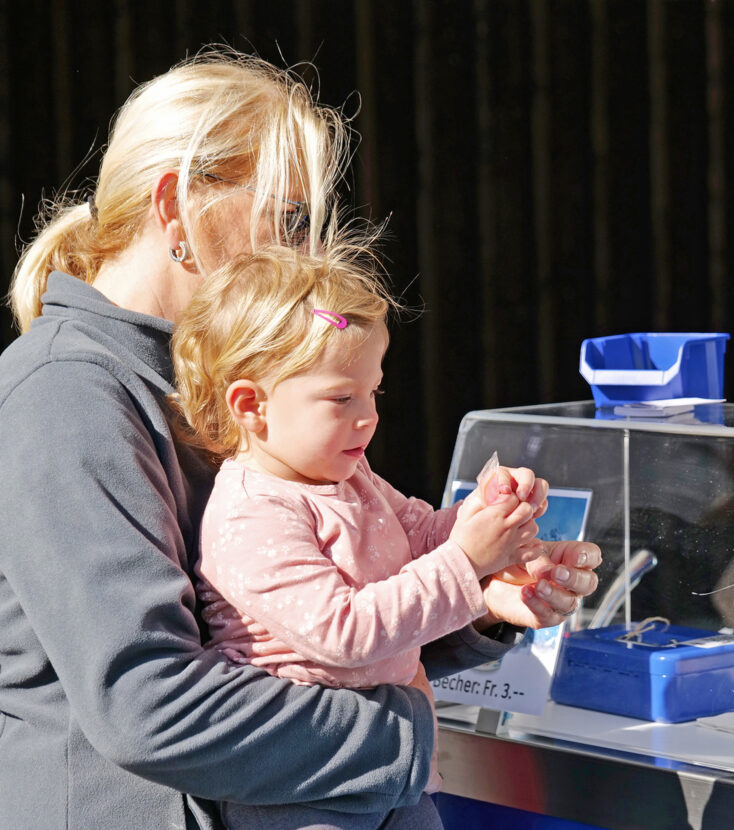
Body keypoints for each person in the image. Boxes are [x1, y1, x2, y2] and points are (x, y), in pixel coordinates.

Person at [0, 48, 600, 830]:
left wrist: (485, 602)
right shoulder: (67, 392)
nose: (305, 257)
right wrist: (401, 734)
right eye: (289, 221)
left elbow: (316, 620)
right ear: (176, 206)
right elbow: (147, 704)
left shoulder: (226, 372)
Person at [172, 246, 552, 829]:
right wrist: (466, 558)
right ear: (252, 406)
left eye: (372, 392)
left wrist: (483, 514)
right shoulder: (251, 514)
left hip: (391, 762)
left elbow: (422, 535)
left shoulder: (350, 475)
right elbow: (344, 633)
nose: (368, 416)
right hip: (302, 782)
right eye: (341, 398)